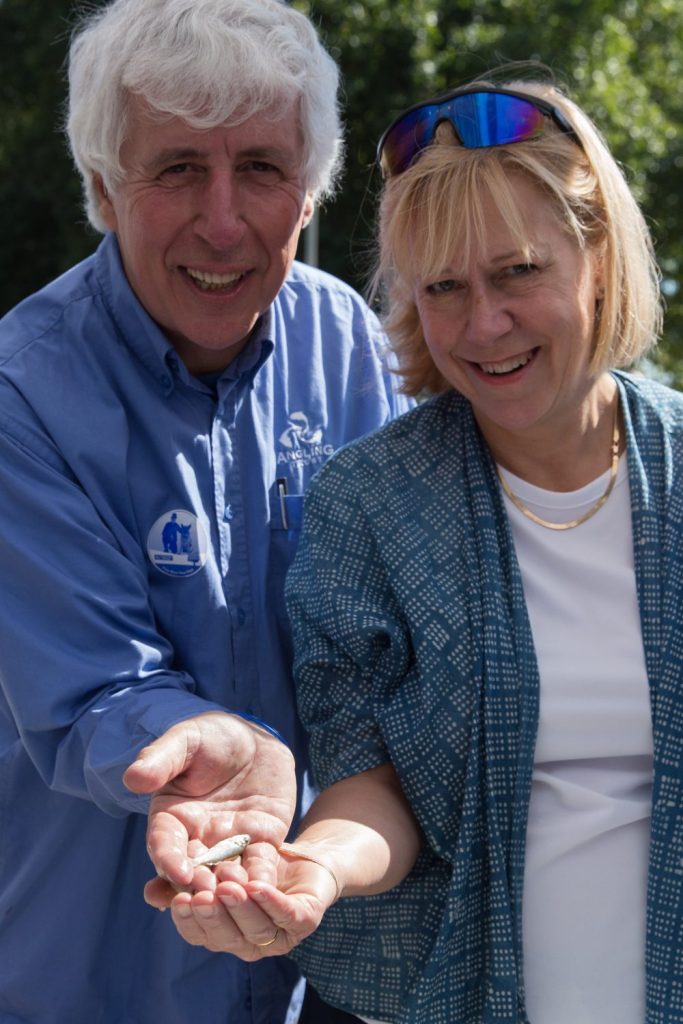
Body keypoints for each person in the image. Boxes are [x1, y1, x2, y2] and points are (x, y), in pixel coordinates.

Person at [162, 72, 682, 1023]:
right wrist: (309, 868)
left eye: (517, 271)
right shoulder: (369, 504)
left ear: (596, 254)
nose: (483, 325)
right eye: (444, 287)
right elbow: (371, 786)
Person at [0, 1, 411, 1021]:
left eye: (263, 169)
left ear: (310, 191)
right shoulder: (19, 388)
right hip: (80, 973)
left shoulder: (355, 349)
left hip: (310, 967)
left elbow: (404, 644)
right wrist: (224, 751)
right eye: (178, 168)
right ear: (102, 185)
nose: (224, 221)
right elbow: (94, 683)